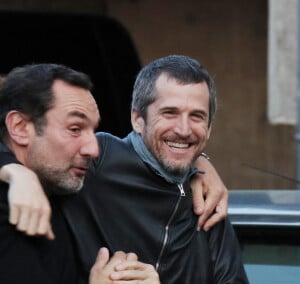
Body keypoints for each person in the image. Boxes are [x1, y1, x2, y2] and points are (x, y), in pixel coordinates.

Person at [0, 56, 238, 283]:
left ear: (208, 129)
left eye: (197, 116)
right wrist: (15, 170)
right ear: (136, 119)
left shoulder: (209, 204)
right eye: (169, 113)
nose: (184, 129)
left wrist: (200, 162)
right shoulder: (95, 161)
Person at [0, 63, 160, 284]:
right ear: (19, 127)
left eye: (92, 131)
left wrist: (197, 168)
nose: (93, 149)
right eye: (75, 129)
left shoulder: (63, 186)